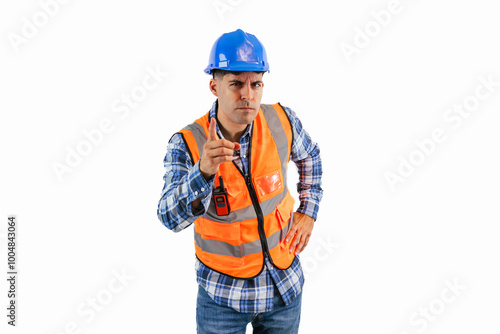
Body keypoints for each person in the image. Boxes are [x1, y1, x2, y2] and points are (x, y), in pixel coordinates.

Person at [157, 29, 323, 334]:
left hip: (284, 287)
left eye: (255, 84)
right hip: (222, 298)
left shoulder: (281, 121)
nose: (247, 95)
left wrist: (308, 211)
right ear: (214, 86)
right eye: (236, 83)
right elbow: (169, 218)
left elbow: (310, 156)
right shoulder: (188, 143)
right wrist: (203, 171)